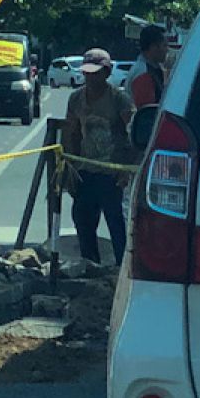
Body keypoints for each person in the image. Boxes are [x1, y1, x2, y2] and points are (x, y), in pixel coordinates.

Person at [63, 48, 134, 265]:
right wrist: (69, 168)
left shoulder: (119, 99)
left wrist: (127, 169)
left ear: (107, 72)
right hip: (86, 170)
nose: (90, 77)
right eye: (87, 73)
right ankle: (90, 264)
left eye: (95, 72)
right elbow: (71, 133)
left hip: (112, 172)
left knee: (116, 223)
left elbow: (134, 134)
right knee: (83, 220)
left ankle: (122, 268)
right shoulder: (76, 99)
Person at [128, 25, 168, 108]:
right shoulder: (143, 73)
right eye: (164, 45)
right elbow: (146, 111)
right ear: (153, 47)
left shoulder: (155, 68)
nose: (167, 50)